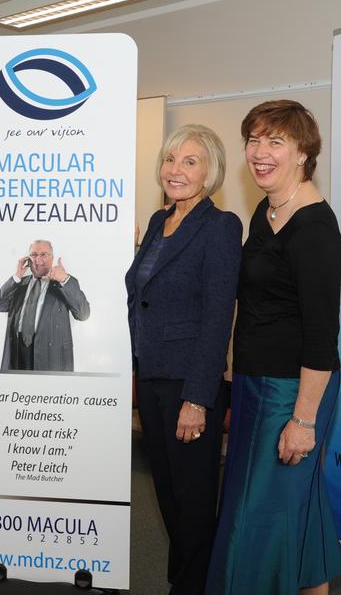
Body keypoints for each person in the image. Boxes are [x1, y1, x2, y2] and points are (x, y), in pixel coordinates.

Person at [206, 100, 341, 595]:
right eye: (254, 140)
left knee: (262, 513)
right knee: (295, 513)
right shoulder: (268, 211)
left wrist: (303, 421)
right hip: (253, 385)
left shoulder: (317, 229)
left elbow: (322, 337)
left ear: (303, 152)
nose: (260, 153)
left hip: (291, 393)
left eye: (276, 142)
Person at [125, 124, 242, 595]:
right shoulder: (158, 222)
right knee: (169, 492)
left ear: (210, 171)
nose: (176, 170)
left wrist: (198, 397)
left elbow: (218, 316)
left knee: (192, 498)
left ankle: (193, 586)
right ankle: (190, 575)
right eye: (171, 160)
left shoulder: (220, 226)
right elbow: (144, 294)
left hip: (189, 382)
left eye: (189, 162)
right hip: (150, 374)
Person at [0, 240, 90, 371]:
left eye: (44, 254)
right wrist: (16, 277)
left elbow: (83, 314)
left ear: (52, 258)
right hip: (17, 355)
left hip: (50, 357)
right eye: (34, 254)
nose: (38, 259)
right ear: (28, 258)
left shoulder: (63, 283)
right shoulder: (20, 283)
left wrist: (64, 280)